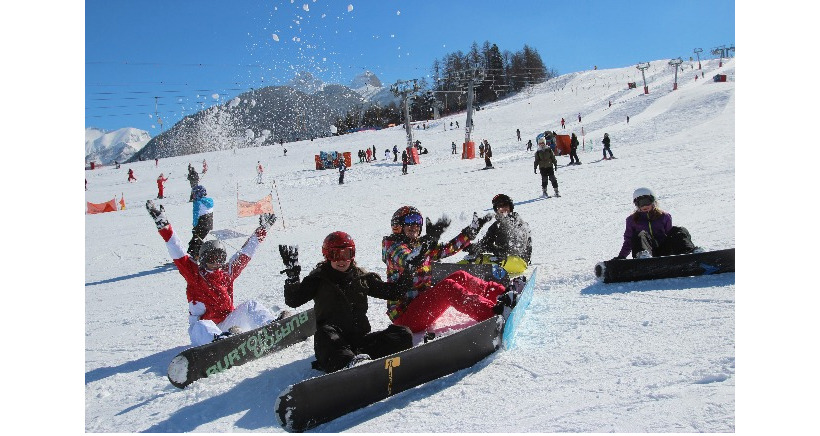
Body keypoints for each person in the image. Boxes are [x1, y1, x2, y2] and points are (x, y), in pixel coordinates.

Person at [145, 200, 283, 346]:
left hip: (228, 325)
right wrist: (164, 225)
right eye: (212, 258)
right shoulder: (195, 275)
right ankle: (220, 341)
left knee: (251, 305)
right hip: (204, 332)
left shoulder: (226, 273)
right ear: (204, 259)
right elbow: (177, 250)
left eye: (220, 258)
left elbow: (246, 253)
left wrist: (263, 229)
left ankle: (273, 327)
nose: (216, 262)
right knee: (201, 325)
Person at [278, 232, 414, 372]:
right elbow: (294, 301)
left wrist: (409, 270)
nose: (341, 260)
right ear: (327, 255)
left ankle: (358, 360)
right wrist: (292, 278)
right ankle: (348, 364)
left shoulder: (362, 278)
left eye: (347, 254)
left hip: (360, 343)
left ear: (352, 255)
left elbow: (393, 292)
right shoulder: (318, 279)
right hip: (332, 344)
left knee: (403, 334)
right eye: (335, 255)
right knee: (325, 332)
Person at [382, 207, 522, 333]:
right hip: (406, 319)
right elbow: (409, 260)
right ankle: (493, 312)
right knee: (447, 288)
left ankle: (503, 293)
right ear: (398, 225)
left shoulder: (417, 245)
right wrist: (430, 240)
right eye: (410, 220)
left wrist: (470, 232)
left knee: (460, 276)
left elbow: (446, 249)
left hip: (421, 304)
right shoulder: (393, 247)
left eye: (418, 221)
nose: (415, 225)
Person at [614, 188, 701, 260]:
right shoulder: (631, 220)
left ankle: (691, 253)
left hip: (665, 251)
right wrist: (621, 257)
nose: (644, 206)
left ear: (653, 201)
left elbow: (672, 236)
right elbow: (628, 241)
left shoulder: (664, 216)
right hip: (648, 252)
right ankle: (643, 257)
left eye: (647, 201)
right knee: (639, 234)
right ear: (636, 204)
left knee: (678, 230)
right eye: (640, 203)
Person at [464, 194, 532, 265]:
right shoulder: (496, 225)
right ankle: (463, 269)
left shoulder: (519, 222)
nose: (502, 209)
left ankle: (495, 268)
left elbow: (519, 246)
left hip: (520, 261)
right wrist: (474, 248)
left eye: (505, 205)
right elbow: (486, 243)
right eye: (499, 206)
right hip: (501, 258)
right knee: (478, 258)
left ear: (510, 207)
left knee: (499, 260)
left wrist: (500, 251)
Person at [188, 185, 214, 260]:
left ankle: (195, 256)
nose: (193, 196)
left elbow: (196, 215)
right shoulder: (209, 201)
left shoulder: (198, 203)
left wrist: (195, 226)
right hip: (208, 225)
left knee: (196, 241)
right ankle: (195, 255)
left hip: (201, 225)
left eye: (194, 194)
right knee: (197, 240)